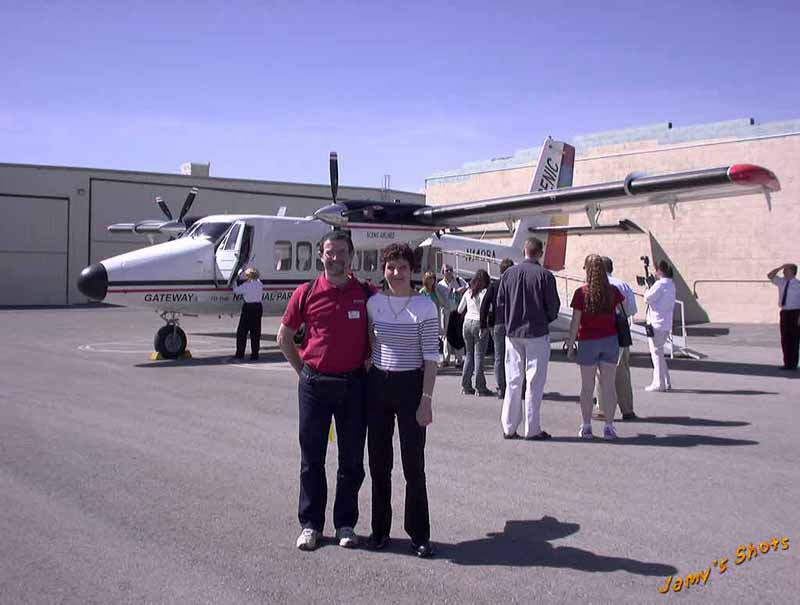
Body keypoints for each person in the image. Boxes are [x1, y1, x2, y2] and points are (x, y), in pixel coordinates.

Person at [277, 231, 371, 552]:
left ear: (351, 255)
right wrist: (303, 372)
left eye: (341, 252)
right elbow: (283, 337)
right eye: (330, 252)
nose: (335, 258)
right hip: (314, 386)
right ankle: (311, 525)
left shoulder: (365, 293)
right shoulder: (305, 293)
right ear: (321, 256)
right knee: (312, 459)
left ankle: (345, 523)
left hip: (353, 386)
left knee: (352, 460)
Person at [366, 243, 439, 558]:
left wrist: (426, 399)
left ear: (413, 271)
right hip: (378, 386)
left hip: (411, 387)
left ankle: (419, 534)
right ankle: (380, 530)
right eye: (391, 267)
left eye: (403, 268)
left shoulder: (425, 307)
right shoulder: (374, 304)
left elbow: (431, 358)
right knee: (379, 464)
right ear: (384, 270)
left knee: (413, 466)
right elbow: (368, 344)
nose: (397, 273)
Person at [496, 237, 560, 440]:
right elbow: (553, 307)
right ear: (540, 253)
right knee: (534, 381)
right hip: (537, 332)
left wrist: (508, 321)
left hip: (513, 332)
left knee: (513, 380)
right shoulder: (545, 276)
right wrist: (545, 319)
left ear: (524, 251)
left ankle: (509, 426)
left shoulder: (509, 274)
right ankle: (532, 428)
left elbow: (500, 303)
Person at [566, 254, 626, 440]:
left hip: (588, 341)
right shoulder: (613, 291)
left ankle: (586, 426)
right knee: (609, 386)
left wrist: (570, 344)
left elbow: (575, 322)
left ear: (587, 270)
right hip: (610, 340)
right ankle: (609, 426)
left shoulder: (581, 293)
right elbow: (621, 311)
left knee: (587, 387)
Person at [594, 256, 638, 421]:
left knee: (602, 373)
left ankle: (603, 409)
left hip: (602, 333)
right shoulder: (623, 285)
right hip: (621, 332)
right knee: (623, 372)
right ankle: (627, 409)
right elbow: (632, 310)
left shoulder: (598, 286)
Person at [480, 258, 514, 399]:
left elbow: (484, 305)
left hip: (497, 324)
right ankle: (515, 386)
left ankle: (501, 388)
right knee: (514, 356)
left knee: (499, 357)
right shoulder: (514, 286)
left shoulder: (494, 285)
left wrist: (483, 325)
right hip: (512, 324)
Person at [643, 260, 677, 392]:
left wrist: (648, 287)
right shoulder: (671, 284)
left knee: (656, 354)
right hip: (666, 323)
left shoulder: (660, 284)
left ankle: (659, 383)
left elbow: (647, 298)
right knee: (660, 353)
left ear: (660, 271)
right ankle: (666, 381)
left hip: (656, 323)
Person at [458, 269, 493, 396]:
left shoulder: (468, 292)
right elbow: (489, 308)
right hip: (479, 323)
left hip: (467, 322)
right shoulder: (484, 293)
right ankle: (480, 387)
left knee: (469, 355)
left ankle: (466, 386)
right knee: (479, 356)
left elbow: (459, 309)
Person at [767, 263, 800, 370]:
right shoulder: (781, 282)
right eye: (784, 270)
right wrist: (781, 267)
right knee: (785, 339)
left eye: (786, 270)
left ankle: (793, 364)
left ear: (792, 272)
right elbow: (770, 275)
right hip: (784, 313)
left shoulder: (798, 285)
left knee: (794, 339)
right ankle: (787, 363)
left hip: (795, 313)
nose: (783, 272)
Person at [438, 265, 467, 367]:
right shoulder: (440, 285)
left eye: (451, 270)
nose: (449, 272)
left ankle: (459, 359)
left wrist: (461, 289)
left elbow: (468, 287)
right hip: (446, 312)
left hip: (457, 312)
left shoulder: (459, 280)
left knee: (458, 335)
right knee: (446, 335)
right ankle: (446, 359)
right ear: (443, 272)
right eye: (447, 270)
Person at [231, 267, 263, 361]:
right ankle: (255, 354)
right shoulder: (260, 284)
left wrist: (234, 282)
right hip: (258, 308)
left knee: (242, 332)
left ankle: (240, 353)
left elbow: (236, 291)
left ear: (249, 276)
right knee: (255, 332)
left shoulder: (246, 285)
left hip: (248, 308)